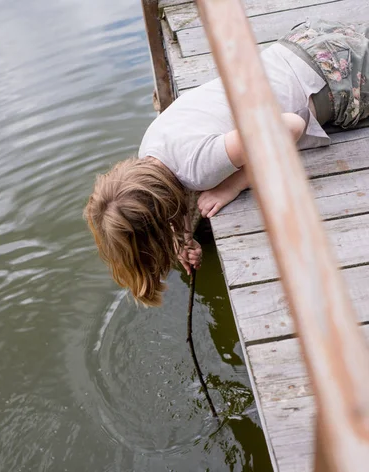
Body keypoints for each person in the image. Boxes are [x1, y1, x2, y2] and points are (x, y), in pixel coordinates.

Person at [84, 19, 369, 306]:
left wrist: (231, 187)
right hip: (307, 45)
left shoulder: (200, 169)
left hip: (340, 79)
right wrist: (183, 234)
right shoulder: (150, 146)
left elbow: (290, 126)